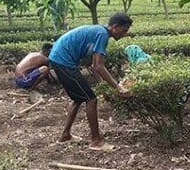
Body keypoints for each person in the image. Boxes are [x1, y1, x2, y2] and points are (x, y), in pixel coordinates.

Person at [48, 12, 133, 151]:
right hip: (63, 61)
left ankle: (65, 135)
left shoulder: (99, 31)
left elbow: (94, 66)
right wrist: (118, 87)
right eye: (124, 31)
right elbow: (99, 66)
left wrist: (103, 86)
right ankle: (96, 141)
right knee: (91, 100)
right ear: (115, 27)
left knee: (79, 98)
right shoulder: (102, 34)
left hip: (59, 59)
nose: (124, 34)